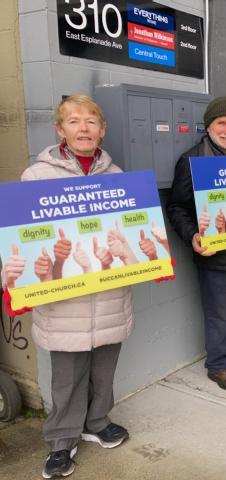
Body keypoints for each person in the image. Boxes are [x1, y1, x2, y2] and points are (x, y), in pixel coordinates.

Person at [1, 95, 133, 478]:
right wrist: (16, 277)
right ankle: (61, 441)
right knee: (68, 374)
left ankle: (98, 422)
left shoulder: (118, 177)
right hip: (64, 301)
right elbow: (21, 241)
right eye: (74, 122)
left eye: (91, 121)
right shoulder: (36, 177)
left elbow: (131, 235)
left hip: (109, 294)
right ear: (60, 130)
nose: (83, 128)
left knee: (104, 370)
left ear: (102, 130)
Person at [166, 97, 226, 391]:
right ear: (208, 126)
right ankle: (218, 364)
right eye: (221, 122)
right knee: (218, 313)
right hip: (216, 253)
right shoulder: (192, 161)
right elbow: (177, 208)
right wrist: (193, 235)